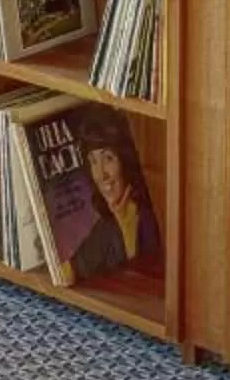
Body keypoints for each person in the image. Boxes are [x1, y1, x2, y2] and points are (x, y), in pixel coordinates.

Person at [66, 120, 161, 283]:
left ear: (125, 161)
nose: (101, 175)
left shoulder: (152, 217)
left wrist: (126, 229)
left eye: (108, 158)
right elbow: (72, 270)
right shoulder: (107, 226)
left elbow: (143, 283)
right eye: (93, 161)